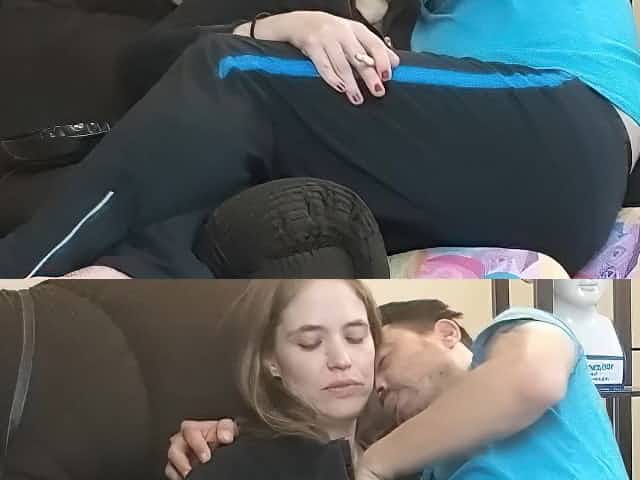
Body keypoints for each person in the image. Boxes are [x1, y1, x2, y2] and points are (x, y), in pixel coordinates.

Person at [0, 0, 638, 278]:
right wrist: (286, 23)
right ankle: (128, 273)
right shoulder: (421, 42)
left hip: (566, 124)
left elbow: (224, 73)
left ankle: (18, 270)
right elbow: (146, 63)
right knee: (249, 187)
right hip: (528, 196)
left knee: (233, 72)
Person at [168, 298, 628, 480]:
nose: (379, 383)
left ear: (445, 333)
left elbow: (529, 380)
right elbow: (326, 438)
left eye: (382, 360)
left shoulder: (523, 330)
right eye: (376, 390)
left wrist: (376, 465)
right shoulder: (422, 466)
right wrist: (231, 434)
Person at [174, 278, 384, 480]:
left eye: (355, 337)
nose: (342, 360)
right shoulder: (232, 469)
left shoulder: (395, 452)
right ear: (270, 359)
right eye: (310, 342)